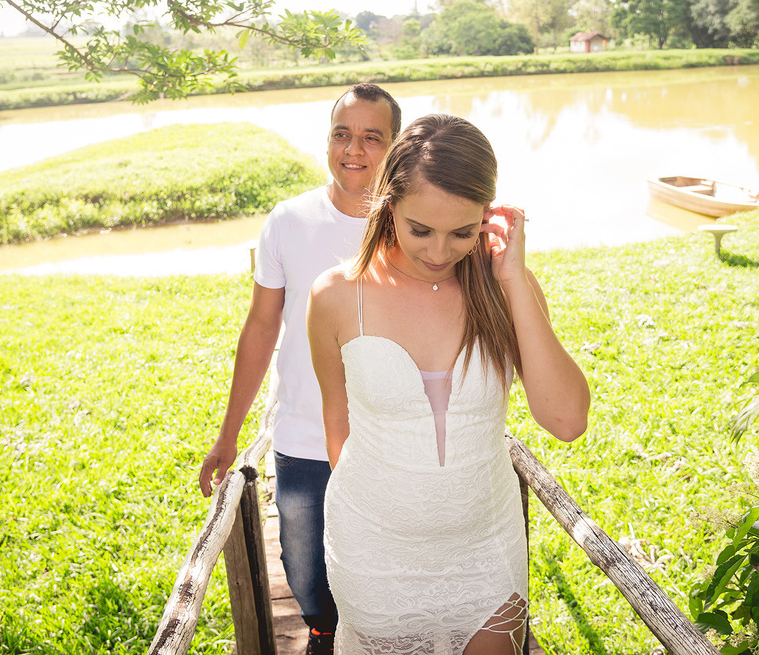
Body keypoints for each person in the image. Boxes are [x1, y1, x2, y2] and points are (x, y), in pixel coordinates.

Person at [307, 114, 591, 655]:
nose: (439, 253)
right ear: (389, 204)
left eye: (462, 232)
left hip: (486, 548)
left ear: (488, 216)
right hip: (375, 551)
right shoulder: (337, 295)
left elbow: (567, 420)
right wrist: (394, 507)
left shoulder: (507, 288)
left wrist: (513, 278)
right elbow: (336, 421)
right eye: (421, 230)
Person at [198, 83, 401, 655]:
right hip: (303, 439)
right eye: (342, 134)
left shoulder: (412, 226)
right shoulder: (288, 221)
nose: (353, 149)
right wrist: (227, 436)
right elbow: (261, 328)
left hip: (389, 441)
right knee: (307, 573)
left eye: (371, 137)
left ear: (396, 145)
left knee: (387, 572)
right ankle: (323, 634)